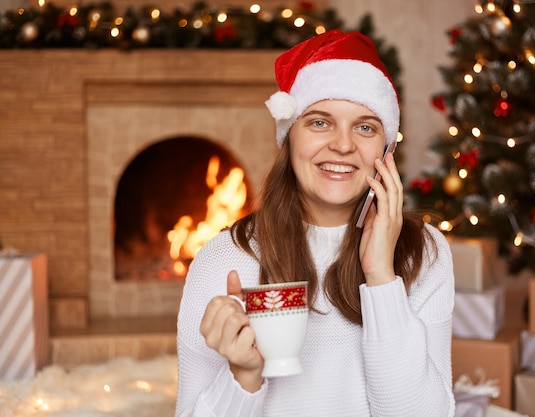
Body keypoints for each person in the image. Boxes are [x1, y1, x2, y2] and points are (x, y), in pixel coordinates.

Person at [176, 29, 455, 417]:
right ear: (289, 138)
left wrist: (381, 277)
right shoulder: (222, 261)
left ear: (387, 150)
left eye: (365, 127)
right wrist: (243, 376)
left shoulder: (424, 253)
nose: (343, 145)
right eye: (320, 123)